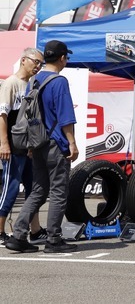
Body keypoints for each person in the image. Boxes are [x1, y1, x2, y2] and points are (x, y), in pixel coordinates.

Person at [5, 40, 79, 253]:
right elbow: (66, 117)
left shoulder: (34, 80)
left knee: (38, 190)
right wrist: (72, 143)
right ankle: (53, 239)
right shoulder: (59, 82)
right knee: (58, 192)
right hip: (56, 144)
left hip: (36, 144)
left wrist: (31, 143)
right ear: (62, 58)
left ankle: (18, 235)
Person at [0, 48, 48, 246]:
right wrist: (4, 143)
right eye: (35, 62)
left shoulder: (32, 85)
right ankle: (0, 230)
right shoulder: (11, 83)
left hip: (27, 148)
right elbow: (2, 116)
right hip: (12, 146)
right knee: (10, 189)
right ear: (23, 60)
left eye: (40, 64)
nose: (37, 66)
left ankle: (35, 230)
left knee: (33, 188)